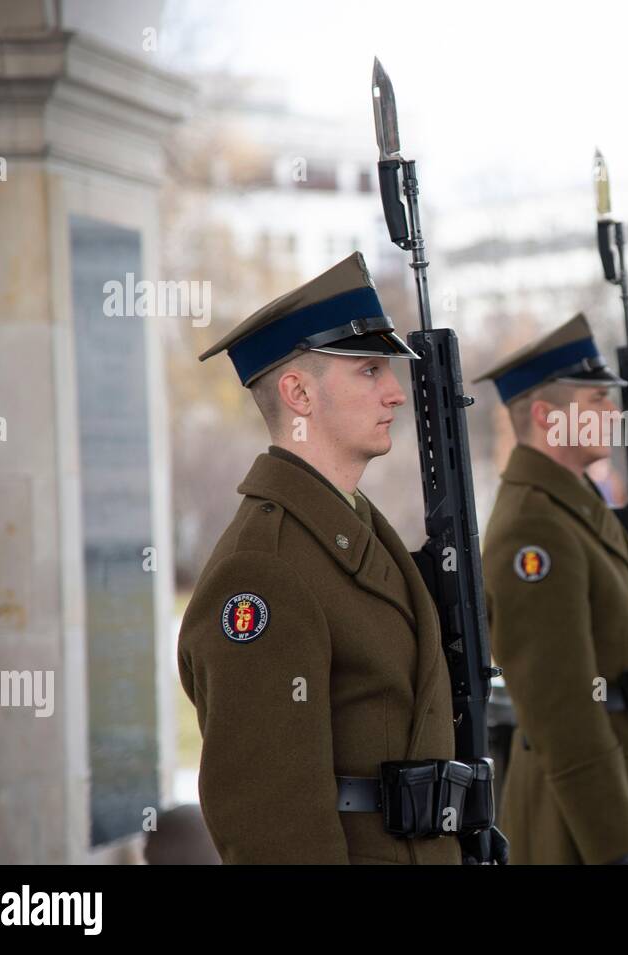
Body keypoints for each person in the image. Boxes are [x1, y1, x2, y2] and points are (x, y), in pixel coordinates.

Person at [177, 252, 463, 864]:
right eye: (368, 371)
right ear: (298, 392)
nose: (394, 392)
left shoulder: (352, 525)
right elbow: (268, 822)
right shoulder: (263, 570)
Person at [474, 313, 628, 865]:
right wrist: (613, 845)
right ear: (547, 416)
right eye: (597, 400)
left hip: (625, 787)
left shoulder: (575, 502)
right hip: (583, 824)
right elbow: (561, 705)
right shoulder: (532, 528)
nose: (615, 415)